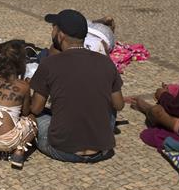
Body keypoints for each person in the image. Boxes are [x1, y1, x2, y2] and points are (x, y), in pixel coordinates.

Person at [30, 9, 124, 163]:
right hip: (103, 150)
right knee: (107, 101)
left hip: (62, 150)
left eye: (53, 28)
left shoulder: (49, 64)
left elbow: (36, 108)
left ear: (60, 35)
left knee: (35, 116)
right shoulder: (105, 62)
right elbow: (119, 105)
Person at [0, 40, 37, 169]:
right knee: (33, 121)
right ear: (21, 64)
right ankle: (19, 151)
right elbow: (26, 113)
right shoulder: (23, 86)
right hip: (7, 142)